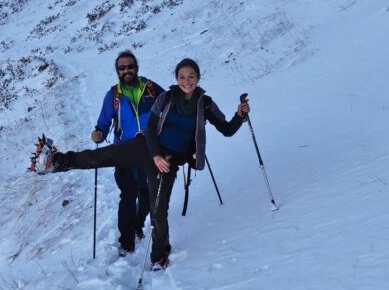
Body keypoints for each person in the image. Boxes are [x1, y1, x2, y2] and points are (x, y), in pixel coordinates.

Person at [43, 58, 249, 269]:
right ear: (176, 78)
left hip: (168, 162)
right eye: (182, 77)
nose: (186, 81)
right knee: (103, 156)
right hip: (146, 148)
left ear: (198, 78)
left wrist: (240, 115)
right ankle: (58, 161)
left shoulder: (205, 104)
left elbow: (227, 129)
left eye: (191, 76)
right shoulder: (166, 97)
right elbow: (150, 128)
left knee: (158, 210)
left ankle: (159, 255)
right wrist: (156, 155)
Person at [91, 51, 160, 255]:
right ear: (117, 71)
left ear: (136, 68)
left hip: (150, 151)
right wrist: (99, 134)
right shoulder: (113, 96)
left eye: (130, 66)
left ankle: (138, 225)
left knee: (147, 196)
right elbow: (103, 123)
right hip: (124, 152)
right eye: (122, 68)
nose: (126, 70)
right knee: (128, 196)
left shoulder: (151, 89)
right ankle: (126, 241)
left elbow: (169, 106)